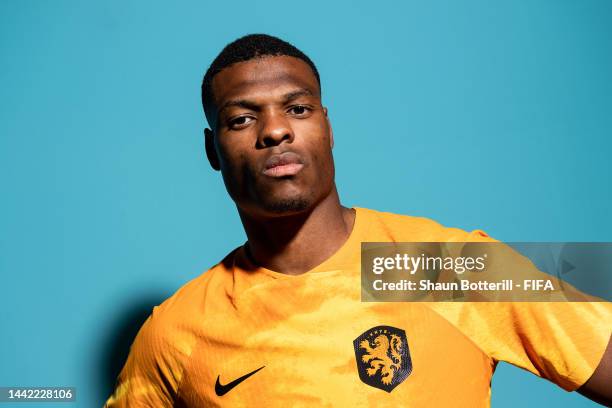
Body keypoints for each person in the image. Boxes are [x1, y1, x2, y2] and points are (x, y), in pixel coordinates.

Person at [105, 34, 612, 407]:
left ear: (327, 127)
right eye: (242, 119)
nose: (275, 130)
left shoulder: (437, 266)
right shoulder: (177, 332)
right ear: (212, 150)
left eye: (298, 109)